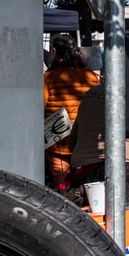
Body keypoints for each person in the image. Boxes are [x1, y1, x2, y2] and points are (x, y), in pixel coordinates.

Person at [68, 84, 129, 211]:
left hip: (84, 169)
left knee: (88, 224)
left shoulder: (90, 94)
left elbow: (72, 142)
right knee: (120, 223)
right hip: (122, 168)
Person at [43, 34, 100, 190]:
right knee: (86, 186)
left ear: (54, 51)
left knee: (61, 186)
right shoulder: (90, 76)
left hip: (58, 140)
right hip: (86, 140)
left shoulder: (48, 77)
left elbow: (40, 106)